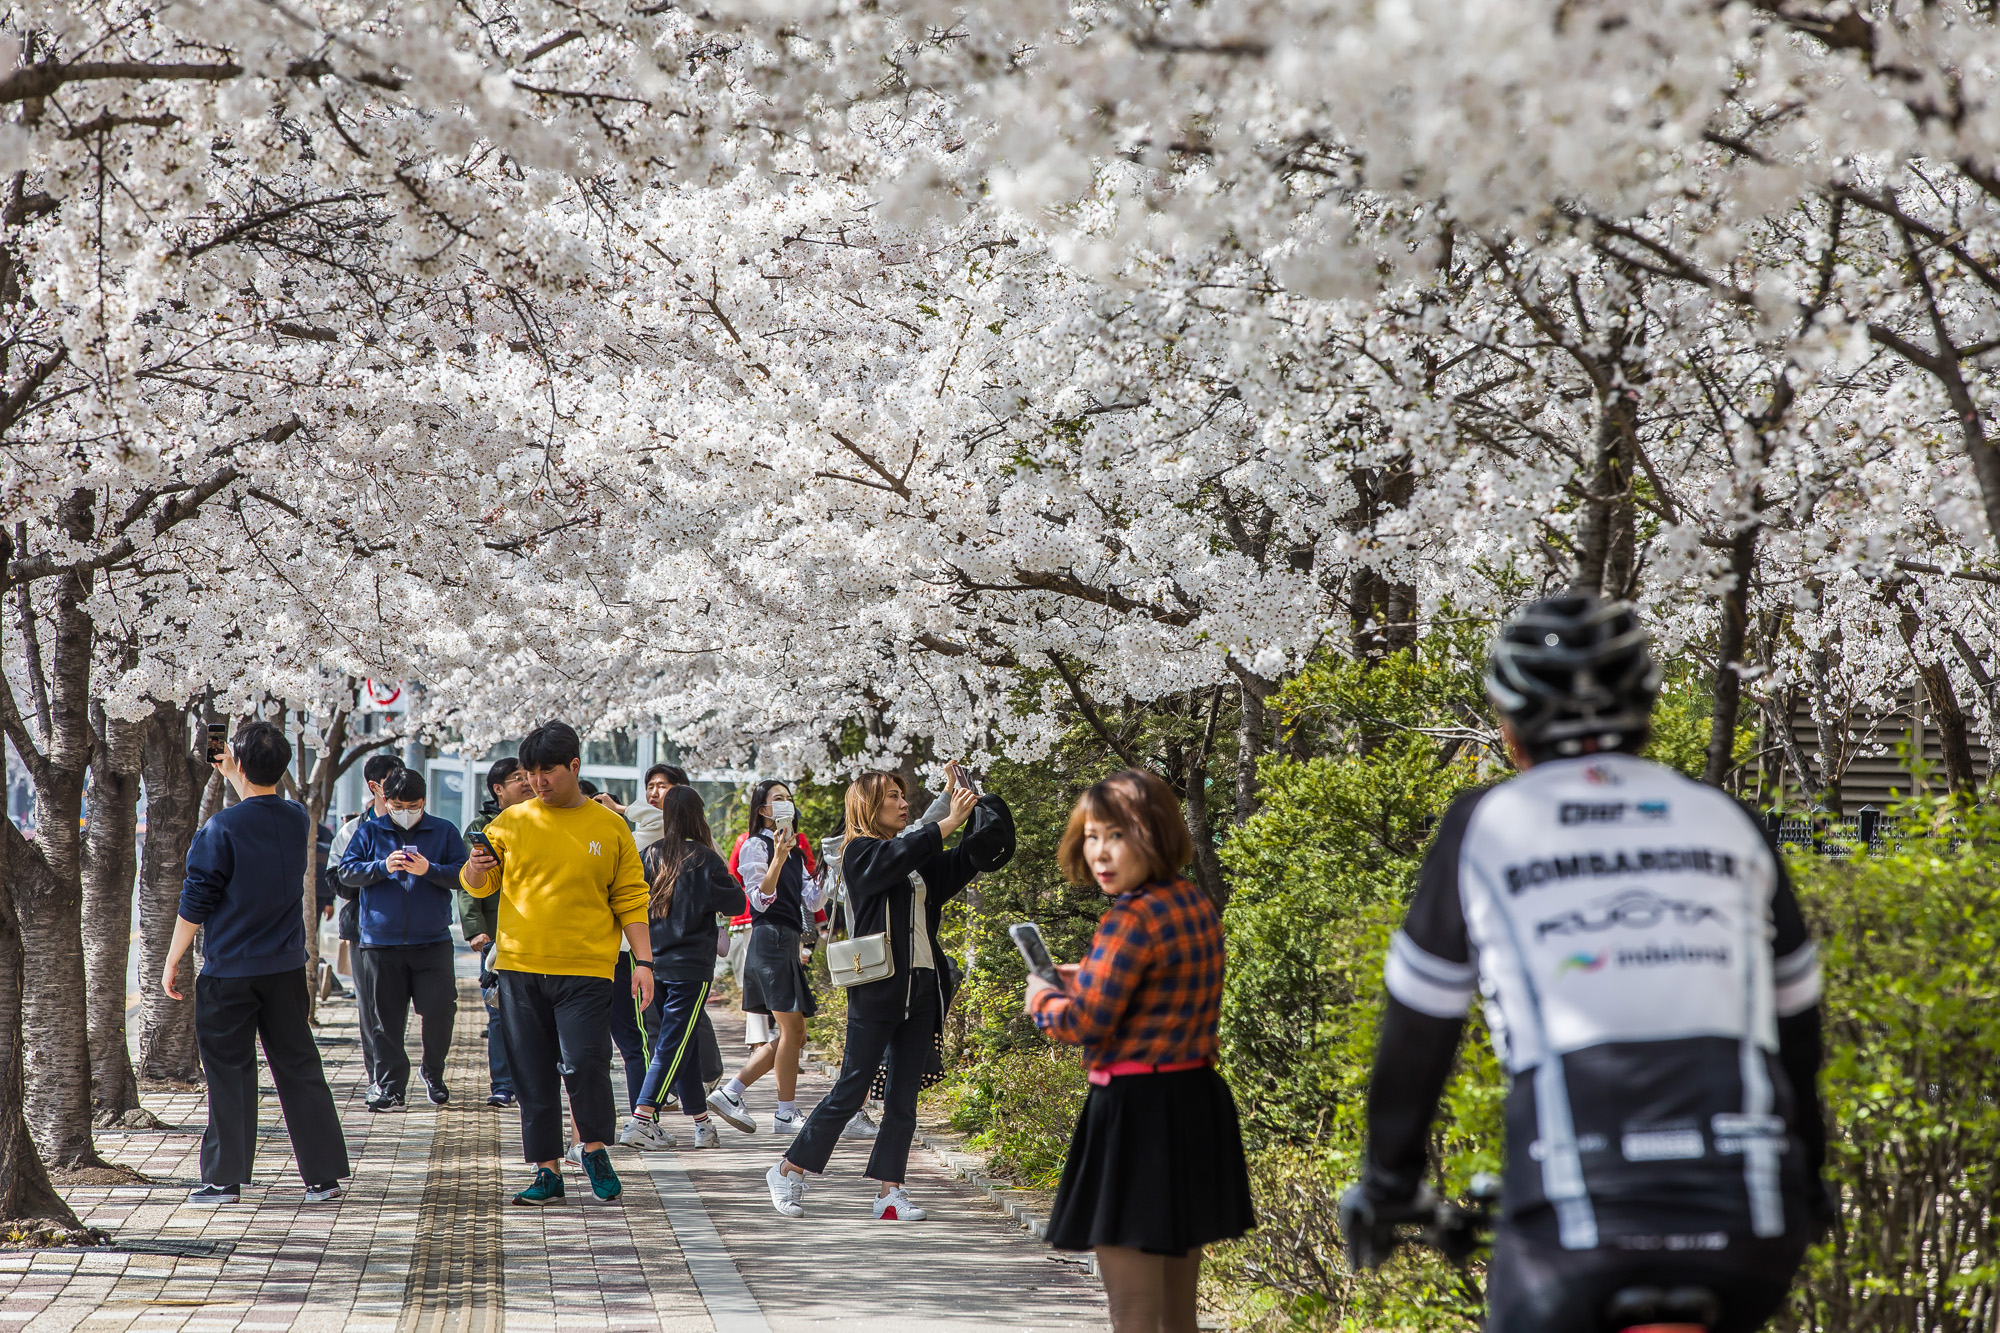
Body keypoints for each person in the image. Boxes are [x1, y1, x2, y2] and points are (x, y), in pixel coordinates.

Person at [1340, 594, 1827, 1333]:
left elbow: (1419, 1029)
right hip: (1747, 1221)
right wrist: (1810, 1177)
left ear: (1510, 728)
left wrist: (1388, 1184)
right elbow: (1799, 1025)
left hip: (1573, 1222)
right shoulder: (1729, 819)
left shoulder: (1485, 823)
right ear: (1646, 709)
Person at [1022, 769, 1253, 1327]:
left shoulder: (1131, 917)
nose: (1100, 853)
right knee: (1178, 1313)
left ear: (1153, 833)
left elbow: (1086, 1022)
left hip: (1135, 1111)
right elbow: (1154, 990)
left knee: (1133, 1310)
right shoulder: (1191, 902)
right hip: (1194, 1099)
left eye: (1117, 836)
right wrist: (1086, 972)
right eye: (1092, 836)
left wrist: (1041, 1001)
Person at [767, 768, 1012, 1221]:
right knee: (851, 1089)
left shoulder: (910, 858)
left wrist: (982, 821)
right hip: (878, 992)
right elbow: (899, 854)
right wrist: (945, 822)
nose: (904, 804)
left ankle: (889, 1192)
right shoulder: (858, 852)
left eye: (904, 796)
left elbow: (956, 862)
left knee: (903, 1096)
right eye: (893, 798)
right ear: (868, 807)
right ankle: (787, 1169)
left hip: (921, 989)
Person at [460, 720, 656, 1207]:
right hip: (519, 967)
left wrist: (644, 961)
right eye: (531, 773)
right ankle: (546, 1170)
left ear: (574, 766)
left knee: (586, 1062)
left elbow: (631, 897)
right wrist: (474, 869)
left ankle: (592, 1149)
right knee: (532, 1072)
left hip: (588, 968)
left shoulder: (611, 828)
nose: (538, 782)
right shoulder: (510, 823)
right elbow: (479, 885)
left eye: (548, 771)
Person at [163, 720, 351, 1205]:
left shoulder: (218, 828)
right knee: (299, 1066)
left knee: (230, 1071)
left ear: (239, 763)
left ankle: (224, 1180)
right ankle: (322, 1178)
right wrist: (236, 774)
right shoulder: (296, 819)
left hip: (230, 972)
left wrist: (171, 958)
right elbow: (261, 803)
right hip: (284, 969)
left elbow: (195, 900)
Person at [620, 785, 746, 1151]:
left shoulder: (648, 856)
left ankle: (702, 1124)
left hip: (652, 963)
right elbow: (736, 901)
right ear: (698, 816)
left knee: (682, 1043)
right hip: (691, 968)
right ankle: (640, 1120)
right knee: (672, 1044)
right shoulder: (706, 859)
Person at [338, 766, 468, 1111]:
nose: (405, 811)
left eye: (413, 805)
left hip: (433, 940)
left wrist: (431, 870)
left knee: (441, 1009)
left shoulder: (443, 831)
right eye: (398, 804)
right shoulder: (369, 832)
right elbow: (346, 872)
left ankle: (433, 1071)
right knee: (385, 1019)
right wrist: (382, 866)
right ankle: (391, 1085)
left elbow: (464, 875)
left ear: (424, 801)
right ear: (385, 799)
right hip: (380, 942)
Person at [707, 780, 825, 1137]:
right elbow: (759, 900)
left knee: (797, 1035)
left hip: (786, 942)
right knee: (793, 1031)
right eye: (778, 799)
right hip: (769, 939)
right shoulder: (755, 846)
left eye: (789, 798)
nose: (786, 804)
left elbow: (813, 900)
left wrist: (831, 866)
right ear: (762, 810)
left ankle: (733, 1092)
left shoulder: (796, 851)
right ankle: (784, 1112)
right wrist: (778, 856)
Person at [461, 756, 531, 1107]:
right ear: (498, 789)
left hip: (535, 932)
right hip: (496, 934)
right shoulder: (483, 827)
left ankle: (529, 1083)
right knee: (499, 1013)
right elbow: (468, 883)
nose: (527, 783)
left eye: (527, 775)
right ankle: (503, 1085)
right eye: (517, 778)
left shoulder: (541, 820)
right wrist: (475, 930)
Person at [332, 752, 403, 1092]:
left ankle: (399, 1073)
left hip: (410, 932)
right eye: (393, 779)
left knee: (404, 1006)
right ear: (375, 786)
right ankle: (380, 1077)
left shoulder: (416, 825)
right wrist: (378, 870)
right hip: (363, 929)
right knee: (370, 1006)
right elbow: (338, 880)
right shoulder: (352, 831)